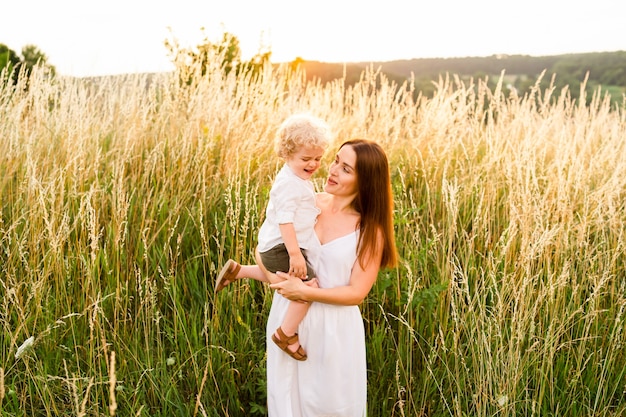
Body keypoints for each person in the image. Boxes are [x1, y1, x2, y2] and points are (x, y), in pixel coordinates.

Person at [219, 139, 398, 416]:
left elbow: (356, 293)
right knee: (287, 403)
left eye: (346, 169)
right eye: (336, 160)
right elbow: (264, 248)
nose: (333, 170)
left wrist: (303, 292)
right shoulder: (309, 203)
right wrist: (282, 281)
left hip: (333, 331)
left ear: (366, 181)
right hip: (289, 319)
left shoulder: (369, 230)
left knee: (330, 407)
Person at [215, 113, 331, 361]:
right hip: (281, 247)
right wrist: (295, 255)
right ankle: (285, 333)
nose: (313, 164)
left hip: (273, 246)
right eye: (306, 159)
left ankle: (240, 271)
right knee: (307, 287)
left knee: (282, 276)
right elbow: (285, 221)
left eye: (318, 159)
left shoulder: (296, 176)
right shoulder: (289, 184)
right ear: (287, 155)